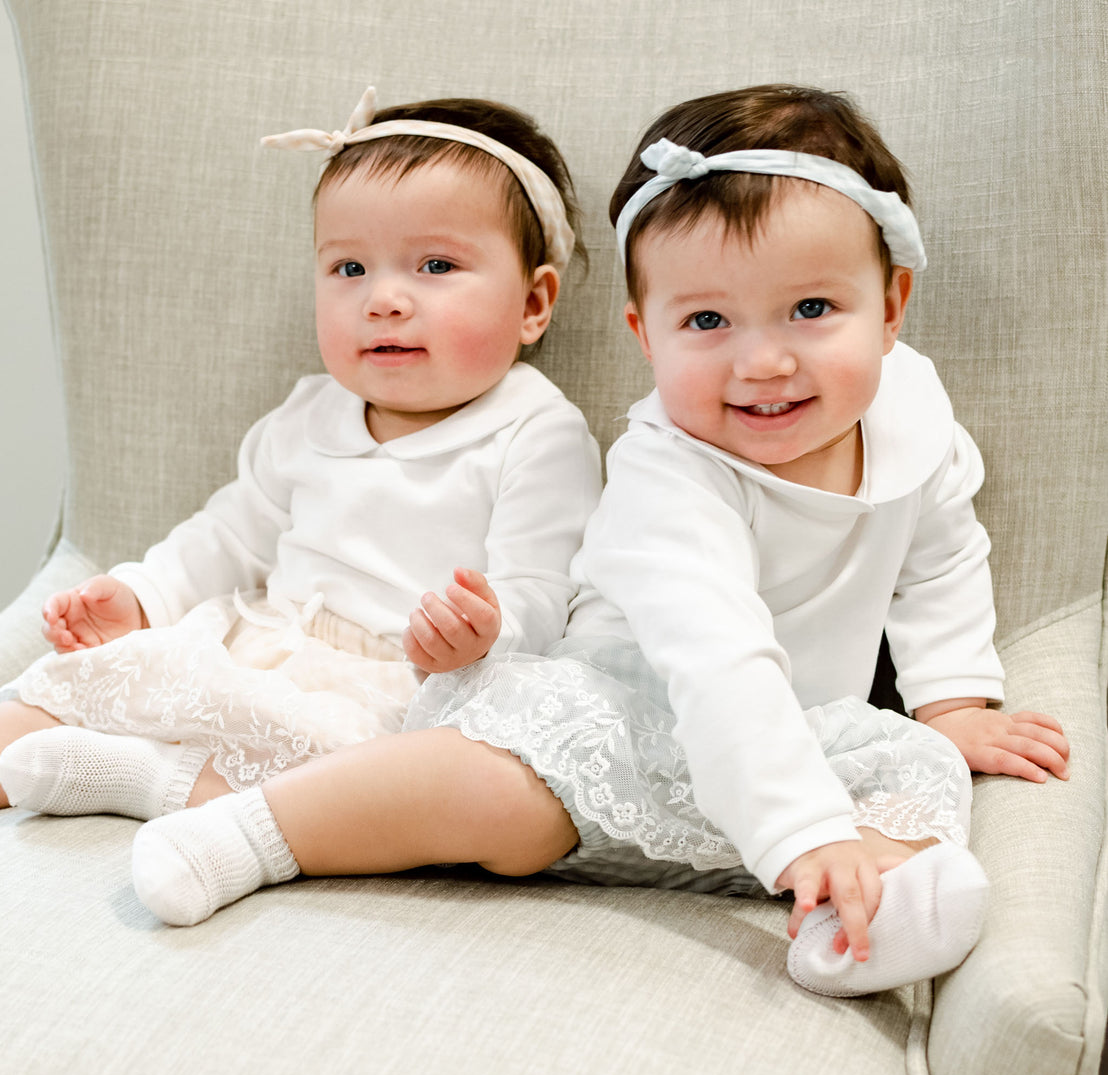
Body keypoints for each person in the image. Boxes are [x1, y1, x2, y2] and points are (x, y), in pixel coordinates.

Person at [43, 85, 1068, 1001]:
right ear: (642, 332)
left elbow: (938, 558)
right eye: (706, 319)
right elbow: (716, 661)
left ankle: (843, 928)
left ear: (888, 307)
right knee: (506, 803)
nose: (763, 361)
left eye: (810, 309)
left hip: (805, 727)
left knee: (920, 778)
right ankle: (245, 834)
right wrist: (802, 831)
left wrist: (951, 702)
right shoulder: (665, 474)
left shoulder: (917, 419)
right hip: (633, 713)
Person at [0, 86, 601, 823]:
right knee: (73, 687)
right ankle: (61, 749)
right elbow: (226, 535)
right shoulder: (310, 412)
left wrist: (486, 629)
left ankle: (150, 782)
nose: (383, 299)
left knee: (347, 784)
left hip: (395, 683)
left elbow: (543, 589)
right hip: (257, 641)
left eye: (436, 266)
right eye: (350, 269)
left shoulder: (534, 429)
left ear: (535, 304)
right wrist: (142, 596)